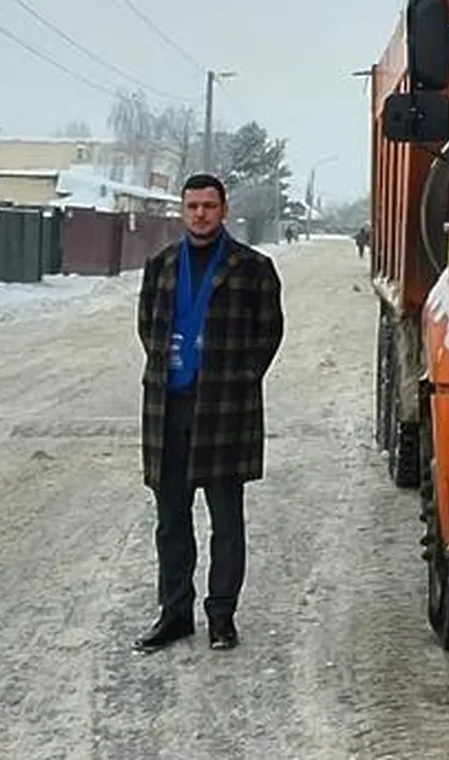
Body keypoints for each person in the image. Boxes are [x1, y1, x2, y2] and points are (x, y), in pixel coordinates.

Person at [132, 173, 284, 653]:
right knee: (171, 521)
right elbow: (147, 330)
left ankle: (222, 616)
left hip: (222, 410)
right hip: (168, 410)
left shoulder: (252, 267)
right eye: (193, 206)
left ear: (224, 210)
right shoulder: (161, 266)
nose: (200, 214)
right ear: (183, 211)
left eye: (209, 206)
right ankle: (174, 613)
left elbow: (269, 335)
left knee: (226, 519)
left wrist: (232, 379)